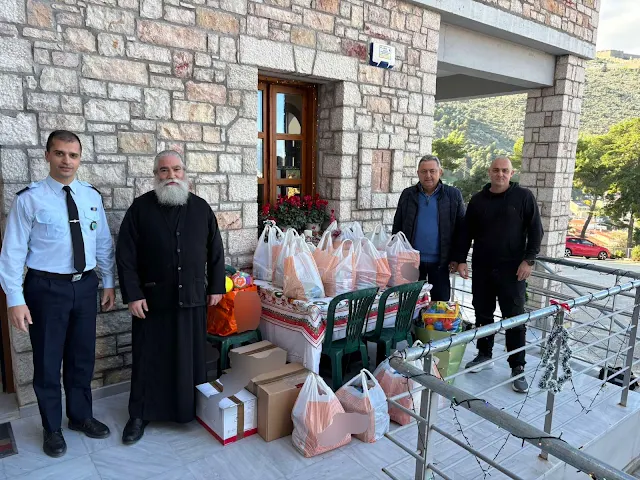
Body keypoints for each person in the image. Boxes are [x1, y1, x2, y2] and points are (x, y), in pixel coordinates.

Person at [0, 130, 116, 457]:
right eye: (60, 153)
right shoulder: (29, 199)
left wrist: (108, 281)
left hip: (85, 285)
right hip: (46, 289)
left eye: (73, 155)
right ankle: (52, 428)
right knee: (48, 361)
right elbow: (12, 252)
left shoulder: (91, 196)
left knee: (81, 357)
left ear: (80, 159)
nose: (67, 161)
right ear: (48, 155)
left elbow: (102, 242)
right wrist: (15, 299)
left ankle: (80, 417)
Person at [116, 150, 226, 445]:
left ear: (184, 172)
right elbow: (125, 256)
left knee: (188, 359)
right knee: (148, 359)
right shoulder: (140, 209)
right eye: (164, 170)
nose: (171, 175)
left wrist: (216, 287)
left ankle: (188, 410)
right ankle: (140, 414)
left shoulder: (201, 208)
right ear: (156, 175)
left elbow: (215, 251)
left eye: (176, 169)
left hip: (192, 297)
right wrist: (133, 294)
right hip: (152, 302)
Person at [457, 156, 543, 393]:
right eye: (496, 170)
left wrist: (529, 260)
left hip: (513, 270)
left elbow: (536, 230)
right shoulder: (478, 200)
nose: (500, 174)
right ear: (489, 172)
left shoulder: (523, 197)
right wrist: (461, 259)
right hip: (482, 268)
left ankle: (517, 366)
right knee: (482, 314)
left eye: (505, 170)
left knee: (514, 318)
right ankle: (484, 354)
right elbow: (466, 233)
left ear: (512, 173)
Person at [392, 154, 466, 301]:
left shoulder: (453, 195)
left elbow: (461, 229)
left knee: (440, 304)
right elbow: (398, 226)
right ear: (418, 173)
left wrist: (458, 258)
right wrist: (395, 254)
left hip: (441, 262)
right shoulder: (408, 194)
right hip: (410, 262)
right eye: (424, 171)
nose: (428, 175)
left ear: (440, 172)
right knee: (408, 302)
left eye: (432, 171)